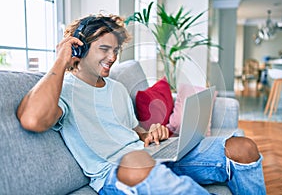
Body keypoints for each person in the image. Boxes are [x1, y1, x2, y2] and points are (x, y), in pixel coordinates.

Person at [17, 13, 266, 195]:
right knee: (136, 163)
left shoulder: (116, 87)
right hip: (117, 172)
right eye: (104, 49)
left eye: (115, 50)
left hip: (150, 155)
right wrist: (61, 61)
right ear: (79, 49)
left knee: (242, 147)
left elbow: (135, 132)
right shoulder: (64, 88)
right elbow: (33, 119)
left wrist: (152, 133)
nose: (112, 58)